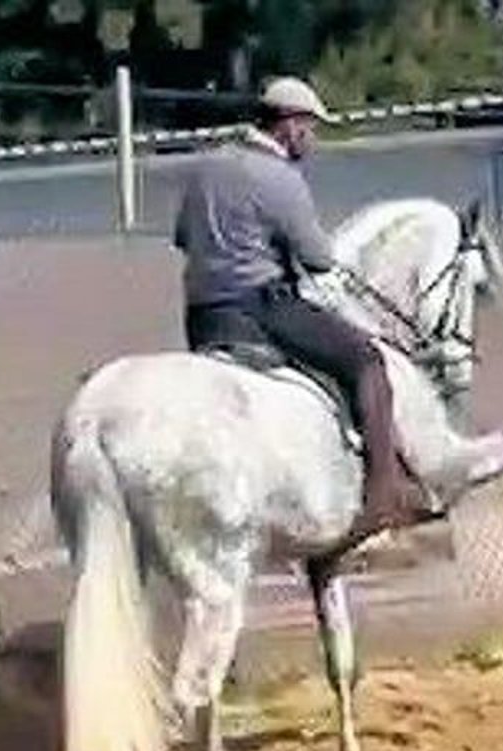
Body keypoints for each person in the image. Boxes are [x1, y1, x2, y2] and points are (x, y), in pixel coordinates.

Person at [172, 76, 419, 536]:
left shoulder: (206, 167)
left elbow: (183, 237)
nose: (312, 138)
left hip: (204, 315)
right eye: (310, 127)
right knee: (368, 363)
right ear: (288, 125)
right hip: (262, 309)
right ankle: (385, 493)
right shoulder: (279, 177)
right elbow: (318, 258)